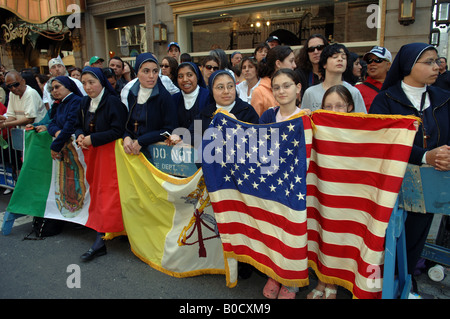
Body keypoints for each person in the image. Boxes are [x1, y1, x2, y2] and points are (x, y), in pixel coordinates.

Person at [369, 43, 450, 293]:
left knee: (417, 233)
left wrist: (445, 156)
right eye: (428, 61)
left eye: (436, 61)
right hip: (393, 181)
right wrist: (425, 156)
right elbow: (381, 141)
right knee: (388, 236)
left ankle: (406, 279)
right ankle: (380, 280)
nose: (435, 67)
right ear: (408, 65)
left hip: (431, 182)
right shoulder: (386, 99)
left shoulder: (443, 98)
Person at [306, 84, 355, 299]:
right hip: (324, 189)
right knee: (323, 235)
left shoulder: (359, 129)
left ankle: (333, 283)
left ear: (350, 107)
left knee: (341, 237)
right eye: (328, 106)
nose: (333, 111)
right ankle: (322, 281)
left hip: (347, 193)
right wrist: (305, 116)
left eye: (339, 106)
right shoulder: (317, 125)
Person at [75, 66, 128, 262]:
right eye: (84, 83)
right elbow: (78, 124)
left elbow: (118, 130)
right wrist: (80, 135)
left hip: (110, 156)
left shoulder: (113, 103)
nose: (88, 87)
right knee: (97, 194)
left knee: (109, 195)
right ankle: (108, 232)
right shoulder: (84, 102)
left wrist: (92, 139)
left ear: (101, 83)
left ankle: (101, 239)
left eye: (92, 82)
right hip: (93, 156)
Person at [259, 69, 303, 299]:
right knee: (273, 230)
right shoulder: (268, 115)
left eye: (287, 85)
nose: (281, 91)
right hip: (272, 183)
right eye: (276, 87)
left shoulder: (307, 117)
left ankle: (291, 281)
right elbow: (259, 147)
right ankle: (274, 273)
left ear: (298, 88)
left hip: (296, 186)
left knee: (293, 233)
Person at [121, 53, 178, 159]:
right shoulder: (132, 94)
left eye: (155, 71)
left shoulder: (164, 97)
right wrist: (127, 137)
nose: (151, 76)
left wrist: (143, 140)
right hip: (134, 152)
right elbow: (128, 124)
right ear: (137, 73)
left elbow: (169, 130)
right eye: (146, 71)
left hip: (156, 154)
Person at [188, 70, 259, 148]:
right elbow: (191, 135)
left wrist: (238, 126)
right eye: (220, 87)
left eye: (230, 86)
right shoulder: (205, 113)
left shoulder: (247, 110)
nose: (226, 91)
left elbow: (256, 139)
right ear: (212, 90)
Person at [301, 43, 366, 113]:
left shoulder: (353, 92)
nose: (340, 59)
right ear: (324, 64)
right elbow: (303, 120)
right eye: (335, 57)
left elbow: (362, 120)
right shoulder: (310, 93)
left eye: (343, 58)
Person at [43, 76, 84, 160]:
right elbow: (52, 123)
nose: (54, 91)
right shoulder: (60, 103)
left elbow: (70, 125)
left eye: (57, 87)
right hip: (63, 142)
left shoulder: (76, 101)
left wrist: (56, 145)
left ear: (67, 86)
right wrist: (57, 132)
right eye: (52, 89)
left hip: (77, 146)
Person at [251, 45, 297, 116]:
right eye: (291, 61)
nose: (294, 65)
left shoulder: (294, 86)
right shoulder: (259, 92)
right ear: (278, 63)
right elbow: (255, 125)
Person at [171, 62, 210, 130]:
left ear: (197, 76)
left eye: (189, 75)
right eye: (180, 76)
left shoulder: (208, 97)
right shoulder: (173, 99)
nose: (185, 79)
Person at [355, 46, 392, 112]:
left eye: (378, 60)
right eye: (369, 61)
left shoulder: (398, 89)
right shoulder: (357, 90)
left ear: (388, 65)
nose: (372, 63)